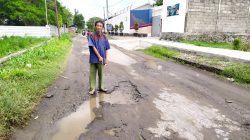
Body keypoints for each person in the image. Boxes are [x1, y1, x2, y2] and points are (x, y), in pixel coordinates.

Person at [87, 20, 110, 95]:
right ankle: (92, 88)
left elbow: (106, 48)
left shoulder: (104, 36)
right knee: (92, 74)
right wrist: (99, 56)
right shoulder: (91, 35)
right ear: (95, 26)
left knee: (101, 74)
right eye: (98, 25)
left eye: (101, 26)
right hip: (94, 58)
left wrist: (106, 58)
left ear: (102, 27)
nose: (99, 27)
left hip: (102, 59)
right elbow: (92, 46)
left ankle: (101, 87)